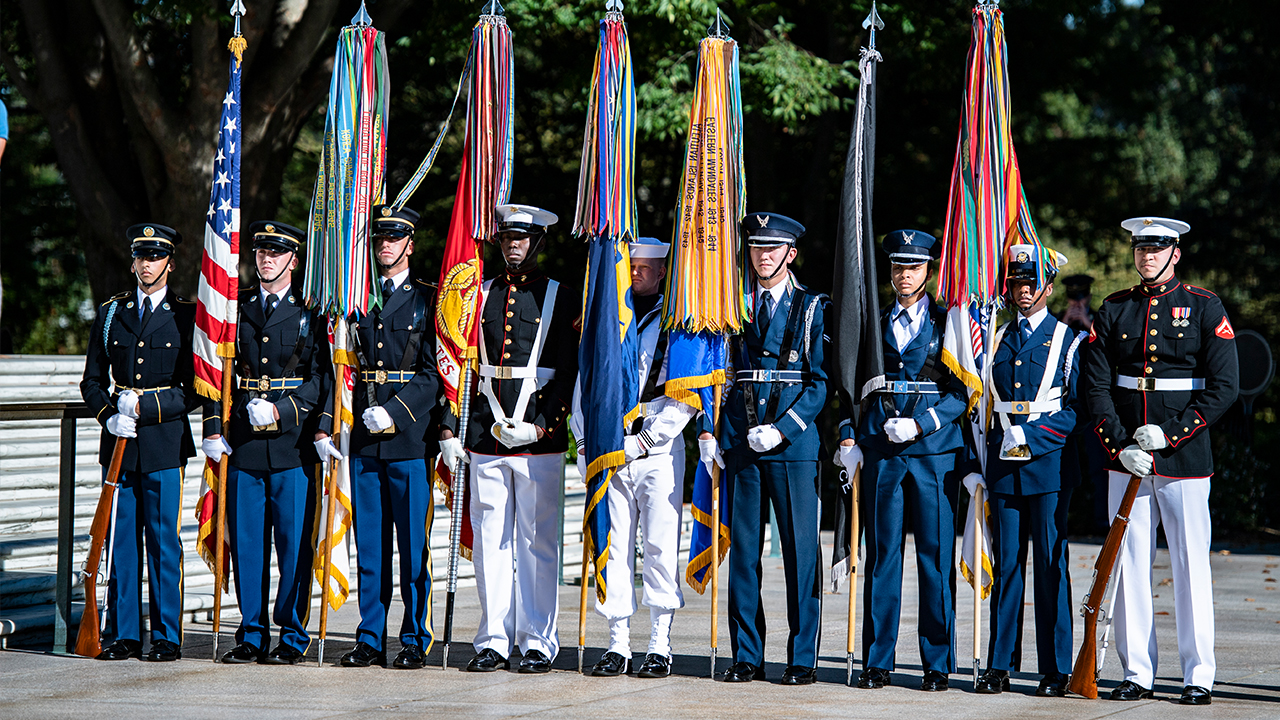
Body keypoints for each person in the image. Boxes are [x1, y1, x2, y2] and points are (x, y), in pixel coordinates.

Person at [1083, 216, 1238, 705]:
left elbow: (1224, 387)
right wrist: (1119, 445)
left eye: (1156, 248)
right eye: (1140, 248)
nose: (1146, 256)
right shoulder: (1115, 308)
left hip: (1183, 458)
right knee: (1129, 564)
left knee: (1191, 564)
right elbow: (1096, 386)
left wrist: (1170, 434)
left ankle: (1198, 674)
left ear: (1175, 253)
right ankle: (1138, 672)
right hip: (1127, 457)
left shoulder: (1203, 306)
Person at [440, 204, 578, 674]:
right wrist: (449, 426)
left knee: (538, 543)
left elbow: (569, 371)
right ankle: (494, 640)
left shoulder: (561, 297)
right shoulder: (480, 293)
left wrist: (543, 425)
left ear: (539, 241)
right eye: (506, 238)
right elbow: (460, 364)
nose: (512, 245)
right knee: (490, 543)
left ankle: (538, 640)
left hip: (538, 435)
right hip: (485, 432)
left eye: (521, 238)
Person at [697, 212, 829, 685]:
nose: (763, 256)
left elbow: (820, 383)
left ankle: (802, 657)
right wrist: (710, 430)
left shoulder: (812, 307)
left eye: (772, 248)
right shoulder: (732, 304)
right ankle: (747, 655)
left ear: (790, 254)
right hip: (741, 441)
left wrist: (784, 429)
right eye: (756, 247)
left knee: (800, 553)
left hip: (792, 446)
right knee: (744, 554)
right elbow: (716, 372)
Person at [835, 229, 966, 692]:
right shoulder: (872, 322)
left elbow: (962, 392)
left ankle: (937, 662)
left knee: (935, 558)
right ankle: (877, 660)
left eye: (913, 266)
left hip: (934, 454)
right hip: (883, 450)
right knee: (882, 557)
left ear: (928, 271)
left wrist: (922, 424)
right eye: (897, 266)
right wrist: (849, 436)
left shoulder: (949, 321)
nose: (904, 274)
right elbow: (850, 384)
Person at [315, 205, 442, 669]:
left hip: (409, 439)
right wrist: (329, 422)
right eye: (380, 238)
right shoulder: (356, 297)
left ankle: (414, 638)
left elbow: (435, 373)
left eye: (394, 238)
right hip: (364, 441)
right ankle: (370, 637)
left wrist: (394, 413)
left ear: (410, 244)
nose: (385, 245)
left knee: (412, 550)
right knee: (371, 547)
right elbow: (337, 369)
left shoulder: (428, 299)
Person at [571, 236, 693, 679]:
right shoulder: (606, 317)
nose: (635, 273)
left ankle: (660, 643)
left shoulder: (678, 320)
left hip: (657, 449)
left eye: (644, 268)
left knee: (659, 545)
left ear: (661, 273)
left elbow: (687, 393)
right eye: (631, 266)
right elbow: (586, 385)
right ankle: (617, 643)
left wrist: (644, 441)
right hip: (609, 447)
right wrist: (584, 442)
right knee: (614, 543)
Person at [202, 221, 322, 665]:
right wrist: (213, 427)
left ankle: (291, 634)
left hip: (293, 445)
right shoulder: (236, 308)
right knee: (248, 546)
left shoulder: (312, 310)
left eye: (276, 253)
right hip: (245, 444)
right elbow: (215, 370)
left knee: (294, 547)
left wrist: (283, 410)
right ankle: (251, 633)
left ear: (294, 260)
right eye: (261, 252)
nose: (266, 259)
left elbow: (322, 378)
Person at [968, 244, 1084, 697]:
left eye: (1031, 283)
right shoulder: (996, 338)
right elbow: (982, 405)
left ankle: (1055, 669)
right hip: (1003, 464)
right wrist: (976, 461)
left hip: (1049, 465)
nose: (1022, 290)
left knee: (1051, 566)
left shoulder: (1068, 339)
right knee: (1008, 565)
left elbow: (1077, 410)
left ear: (1048, 287)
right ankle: (1000, 663)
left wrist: (1032, 436)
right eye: (1016, 283)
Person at [80, 223, 199, 662]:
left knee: (164, 542)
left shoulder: (187, 316)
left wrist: (145, 407)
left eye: (155, 256)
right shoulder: (112, 312)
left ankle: (167, 635)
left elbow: (194, 388)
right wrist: (109, 416)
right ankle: (125, 634)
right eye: (141, 256)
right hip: (119, 446)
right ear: (132, 263)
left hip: (164, 443)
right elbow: (92, 381)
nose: (147, 264)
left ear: (170, 264)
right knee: (122, 543)